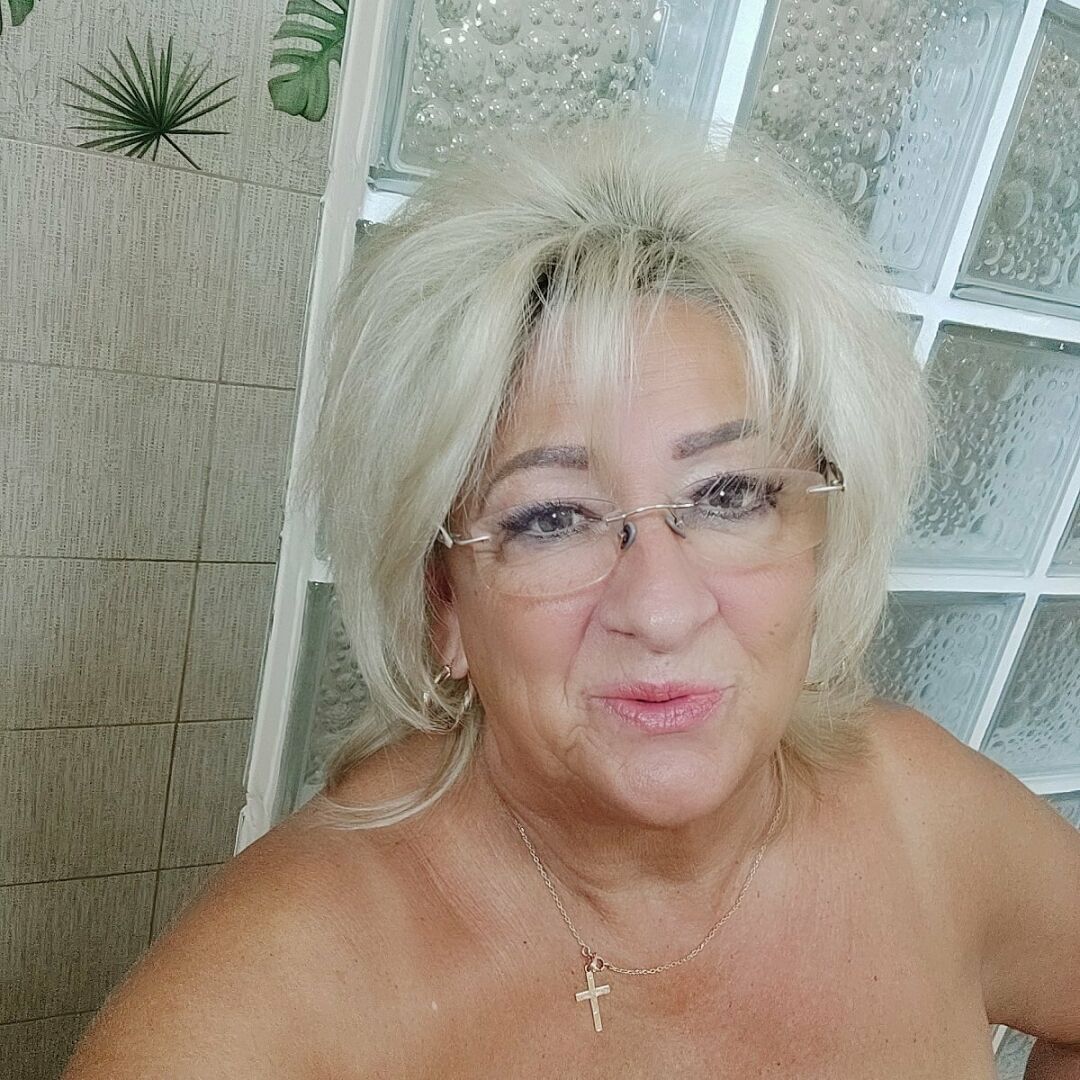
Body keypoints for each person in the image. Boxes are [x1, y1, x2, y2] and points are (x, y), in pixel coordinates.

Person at [63, 111, 1080, 1078]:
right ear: (443, 602)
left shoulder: (926, 815)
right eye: (550, 518)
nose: (662, 609)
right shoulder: (271, 1005)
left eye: (729, 495)